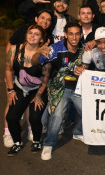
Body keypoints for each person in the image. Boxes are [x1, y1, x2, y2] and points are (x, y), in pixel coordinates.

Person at [31, 22, 84, 161]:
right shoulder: (55, 49)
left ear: (81, 35)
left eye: (77, 34)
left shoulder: (85, 50)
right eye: (71, 33)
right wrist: (37, 52)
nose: (74, 37)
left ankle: (78, 132)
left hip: (78, 88)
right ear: (65, 35)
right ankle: (48, 144)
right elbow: (35, 62)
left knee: (88, 112)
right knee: (58, 115)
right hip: (61, 88)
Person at [3, 9, 53, 148]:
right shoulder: (15, 49)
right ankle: (16, 140)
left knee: (35, 118)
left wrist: (38, 96)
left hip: (38, 89)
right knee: (11, 117)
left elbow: (45, 79)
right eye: (30, 33)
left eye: (36, 34)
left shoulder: (45, 54)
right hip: (20, 87)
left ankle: (36, 141)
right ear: (26, 35)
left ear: (42, 39)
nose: (32, 36)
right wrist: (10, 90)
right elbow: (8, 69)